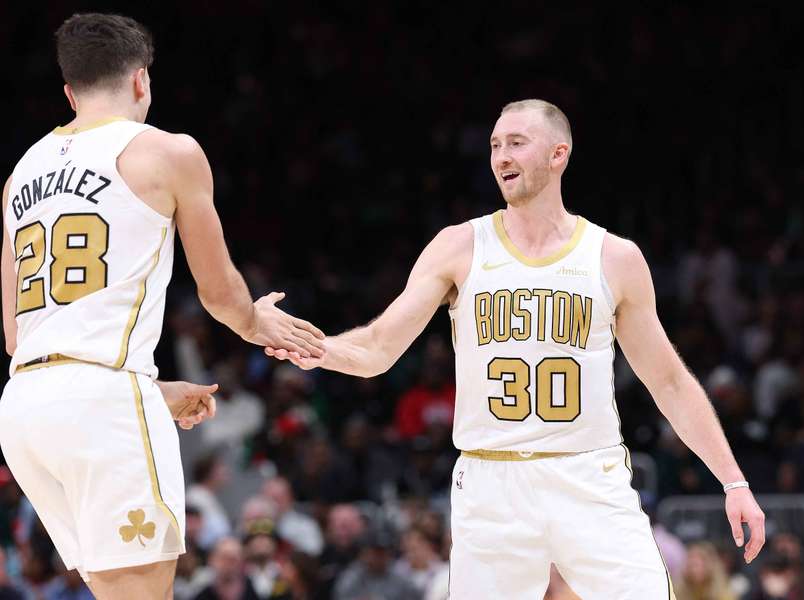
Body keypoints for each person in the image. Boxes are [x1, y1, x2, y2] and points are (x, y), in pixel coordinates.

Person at [270, 98, 766, 597]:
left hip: (587, 476)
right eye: (494, 145)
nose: (501, 156)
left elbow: (670, 381)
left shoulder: (614, 257)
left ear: (558, 154)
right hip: (491, 482)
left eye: (516, 143)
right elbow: (379, 348)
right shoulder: (459, 246)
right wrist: (312, 346)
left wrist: (734, 482)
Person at [0, 13, 324, 600]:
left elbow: (17, 337)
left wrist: (144, 392)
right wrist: (257, 322)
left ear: (69, 92)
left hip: (24, 408)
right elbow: (220, 295)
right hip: (100, 404)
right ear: (141, 79)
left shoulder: (20, 173)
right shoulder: (167, 152)